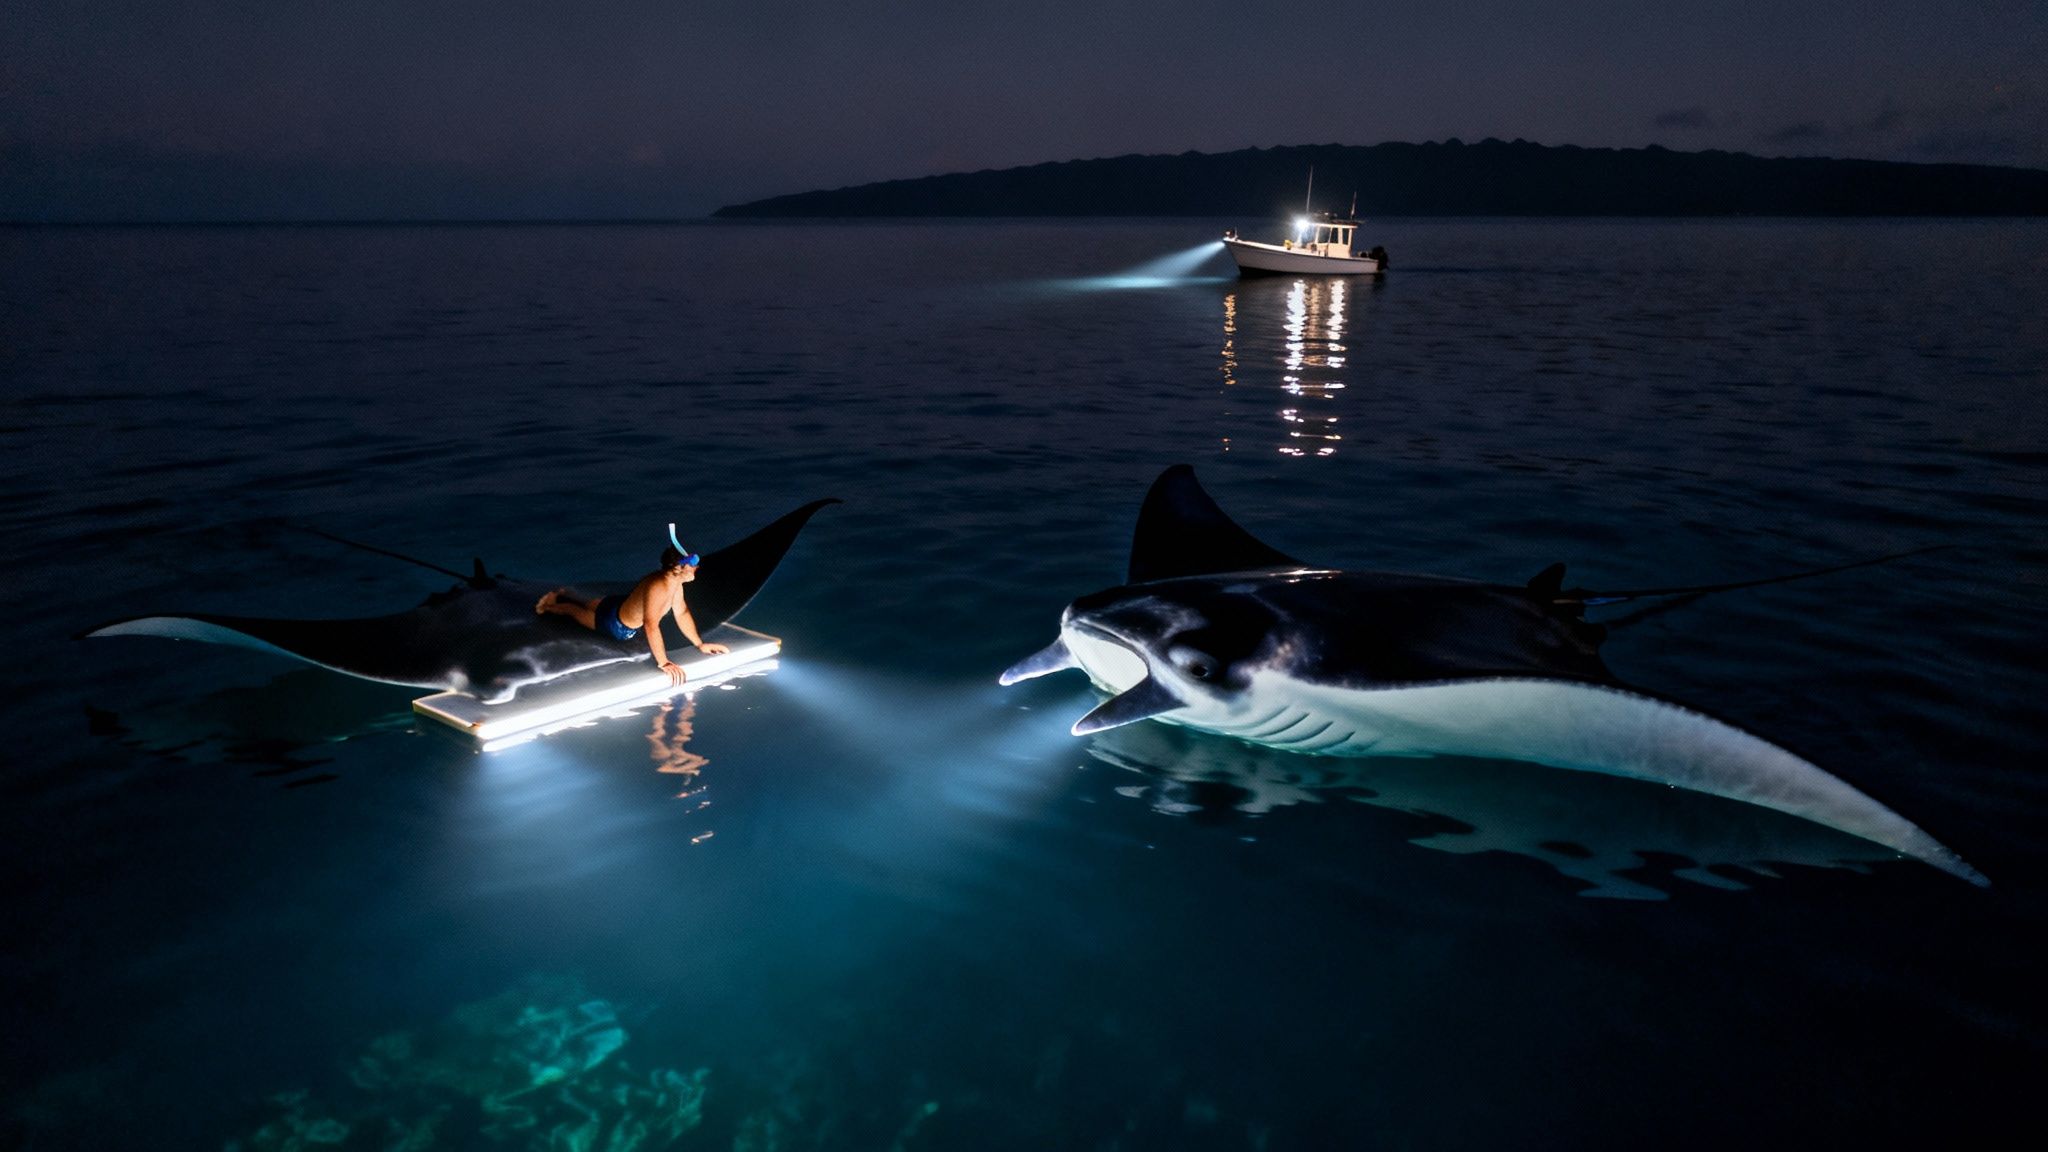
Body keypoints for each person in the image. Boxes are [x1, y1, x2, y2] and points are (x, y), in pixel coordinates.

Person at [536, 524, 730, 685]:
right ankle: (549, 606)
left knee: (590, 603)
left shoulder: (674, 583)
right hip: (615, 625)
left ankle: (563, 592)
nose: (696, 567)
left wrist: (700, 644)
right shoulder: (659, 587)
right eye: (693, 563)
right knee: (574, 612)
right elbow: (650, 625)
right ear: (678, 568)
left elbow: (682, 612)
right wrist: (663, 662)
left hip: (617, 604)